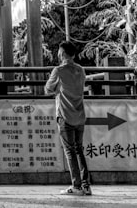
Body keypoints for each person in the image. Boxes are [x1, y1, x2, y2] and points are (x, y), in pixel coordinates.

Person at [45, 41, 91, 197]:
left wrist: (58, 89)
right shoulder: (81, 70)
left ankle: (76, 186)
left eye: (59, 52)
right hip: (80, 115)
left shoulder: (58, 71)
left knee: (70, 152)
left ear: (62, 54)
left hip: (65, 116)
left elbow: (47, 89)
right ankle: (86, 185)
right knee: (79, 150)